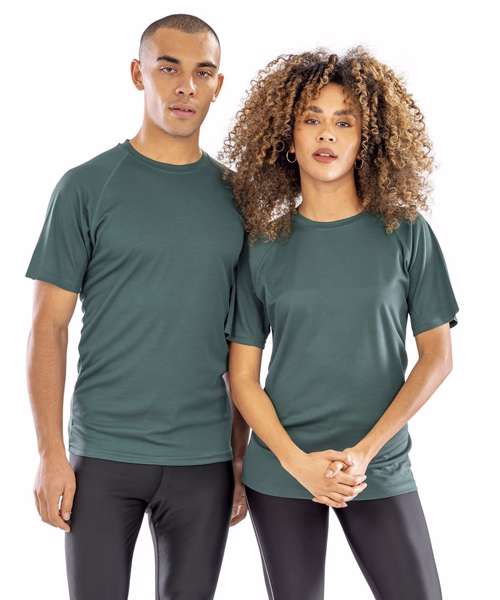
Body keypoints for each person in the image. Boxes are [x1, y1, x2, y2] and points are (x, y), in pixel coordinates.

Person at [221, 47, 459, 599]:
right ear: (289, 136)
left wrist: (364, 452)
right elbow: (243, 378)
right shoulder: (263, 246)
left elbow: (437, 357)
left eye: (344, 121)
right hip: (284, 468)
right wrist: (296, 463)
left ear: (365, 138)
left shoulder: (405, 232)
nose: (326, 134)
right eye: (312, 119)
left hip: (376, 465)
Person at [25, 14, 249, 600]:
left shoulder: (238, 200)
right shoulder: (85, 187)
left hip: (203, 461)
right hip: (102, 457)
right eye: (168, 68)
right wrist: (50, 454)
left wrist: (239, 459)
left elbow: (245, 345)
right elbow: (48, 326)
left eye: (202, 73)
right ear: (137, 73)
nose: (186, 87)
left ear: (218, 85)